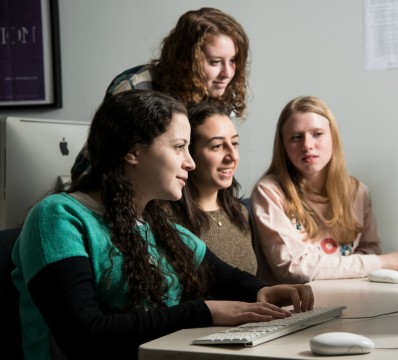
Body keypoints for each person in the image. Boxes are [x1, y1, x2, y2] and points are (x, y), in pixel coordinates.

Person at [11, 90, 314, 360]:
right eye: (179, 147)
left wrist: (265, 291)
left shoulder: (154, 223)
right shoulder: (58, 217)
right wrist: (204, 312)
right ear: (132, 151)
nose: (190, 162)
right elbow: (85, 336)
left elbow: (226, 278)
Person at [251, 96, 398, 284]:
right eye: (296, 137)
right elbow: (294, 268)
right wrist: (380, 263)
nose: (307, 145)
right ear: (283, 146)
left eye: (317, 134)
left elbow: (369, 246)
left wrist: (358, 265)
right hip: (296, 307)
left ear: (333, 137)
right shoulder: (269, 192)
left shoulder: (358, 192)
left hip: (347, 292)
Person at [71, 7, 250, 180]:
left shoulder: (219, 98)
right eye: (215, 62)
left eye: (233, 60)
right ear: (186, 60)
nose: (228, 73)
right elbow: (105, 165)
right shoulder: (136, 86)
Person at [171, 102, 257, 274]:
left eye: (235, 143)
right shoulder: (168, 220)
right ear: (190, 153)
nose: (232, 156)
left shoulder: (240, 212)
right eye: (217, 146)